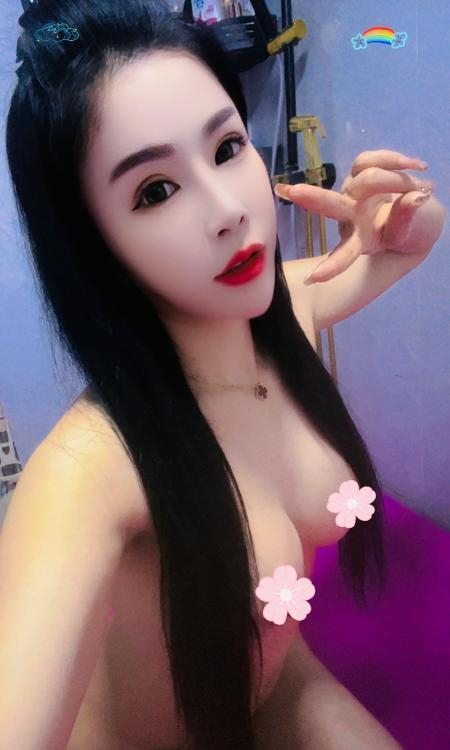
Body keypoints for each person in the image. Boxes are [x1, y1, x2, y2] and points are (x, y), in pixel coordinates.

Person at [2, 1, 445, 748]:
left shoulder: (285, 309)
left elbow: (405, 242)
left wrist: (407, 214)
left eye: (227, 147)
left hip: (275, 684)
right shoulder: (90, 470)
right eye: (155, 191)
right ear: (92, 242)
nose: (227, 211)